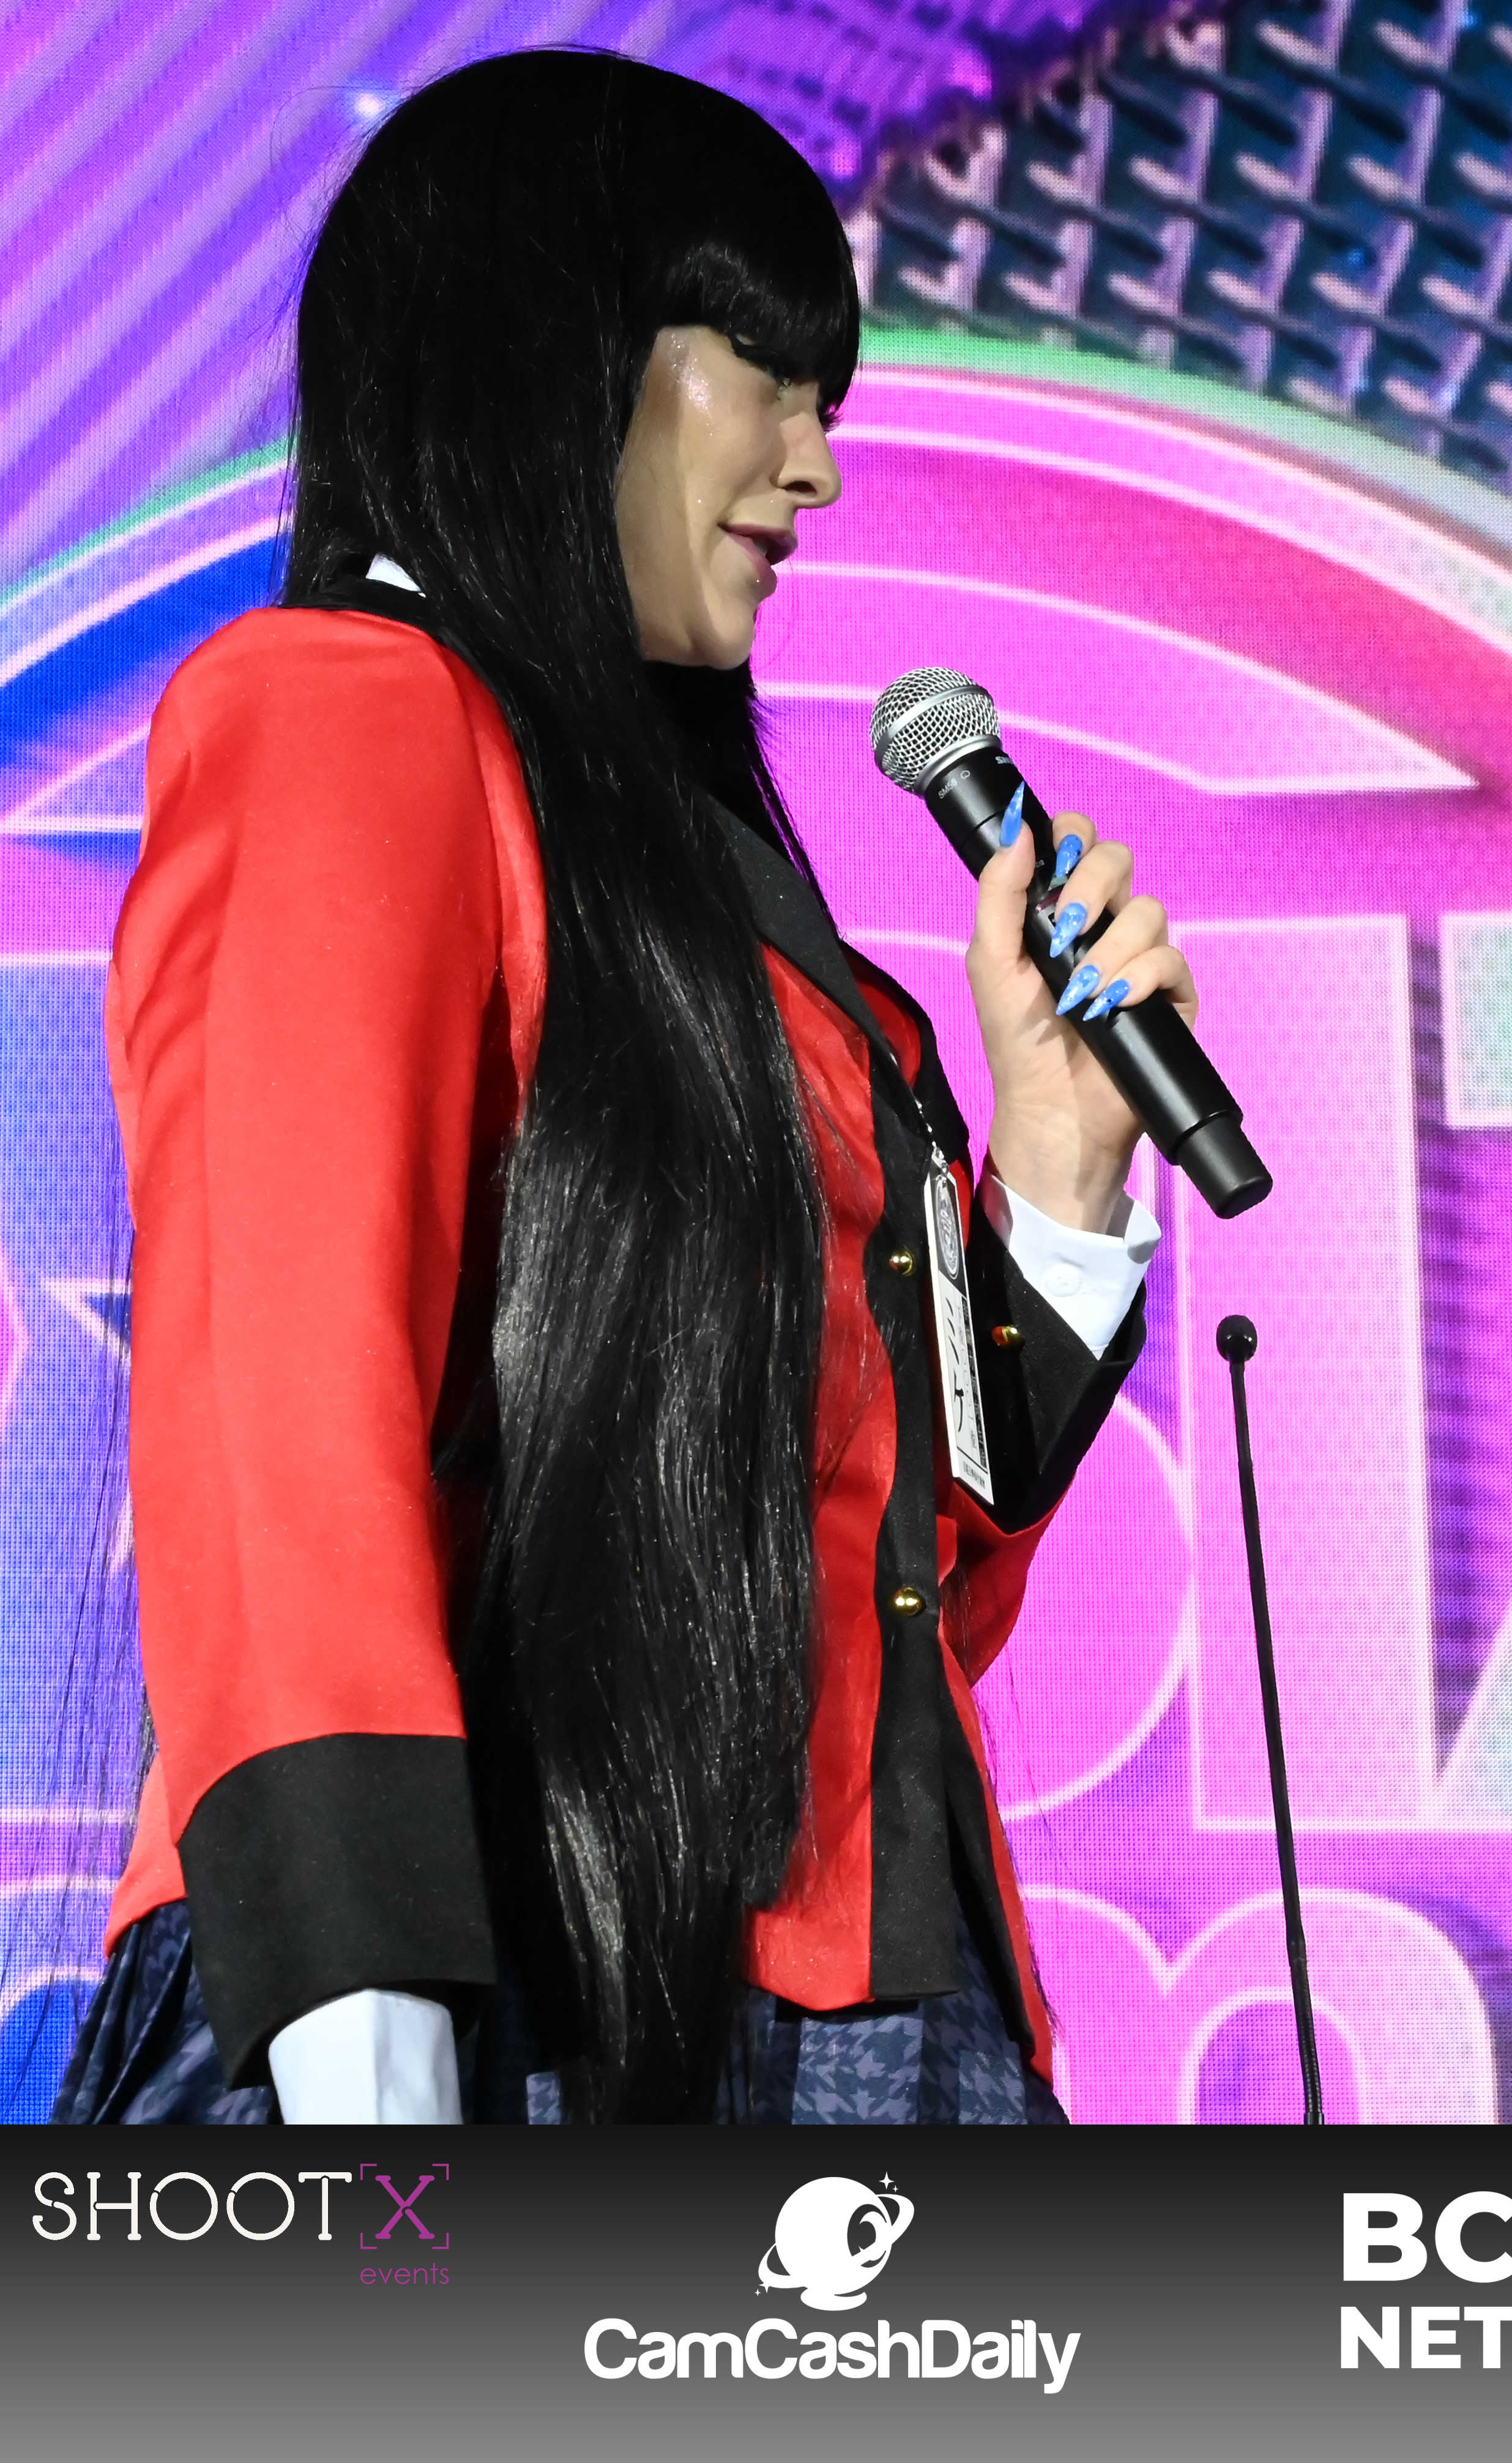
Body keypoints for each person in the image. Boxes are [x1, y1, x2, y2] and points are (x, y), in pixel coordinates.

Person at [52, 51, 1191, 2124]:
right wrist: (369, 2047)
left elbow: (900, 1596)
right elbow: (278, 1391)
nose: (815, 468)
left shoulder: (773, 963)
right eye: (763, 373)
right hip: (503, 1981)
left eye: (828, 399)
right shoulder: (353, 714)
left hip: (865, 2017)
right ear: (551, 350)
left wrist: (1056, 1180)